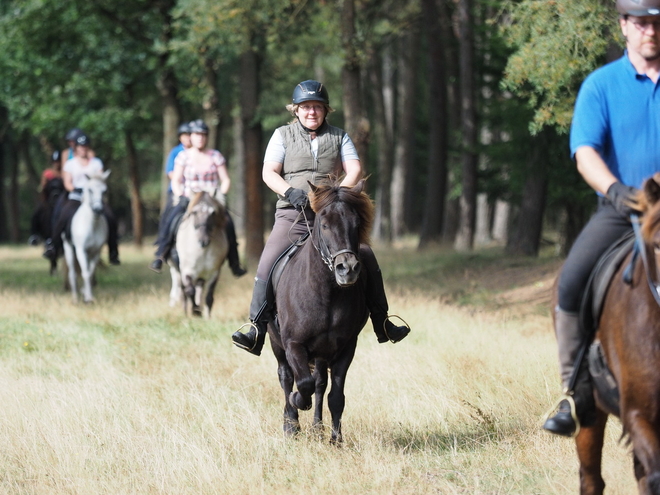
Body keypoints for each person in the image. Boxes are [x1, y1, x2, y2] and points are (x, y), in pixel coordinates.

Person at [543, 0, 660, 437]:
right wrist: (615, 189)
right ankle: (575, 391)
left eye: (657, 23)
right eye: (642, 22)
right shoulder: (601, 85)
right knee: (572, 280)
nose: (651, 31)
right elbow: (585, 151)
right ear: (625, 26)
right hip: (619, 210)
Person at [231, 80, 411, 356]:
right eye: (305, 107)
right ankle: (256, 327)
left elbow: (354, 169)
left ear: (326, 110)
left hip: (332, 213)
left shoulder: (340, 137)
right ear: (296, 111)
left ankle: (382, 321)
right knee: (268, 260)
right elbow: (269, 173)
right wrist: (290, 192)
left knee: (366, 255)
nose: (311, 112)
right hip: (293, 214)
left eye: (317, 107)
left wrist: (335, 195)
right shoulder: (281, 135)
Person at [149, 119, 246, 277]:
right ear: (191, 137)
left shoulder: (216, 156)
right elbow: (176, 180)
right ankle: (161, 254)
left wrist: (221, 194)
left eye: (203, 134)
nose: (199, 138)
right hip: (190, 198)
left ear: (207, 137)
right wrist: (181, 194)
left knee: (228, 223)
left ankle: (234, 263)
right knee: (172, 218)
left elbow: (226, 179)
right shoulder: (183, 156)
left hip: (211, 199)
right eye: (196, 134)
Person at [44, 134, 120, 265]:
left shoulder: (96, 163)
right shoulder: (70, 164)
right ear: (76, 148)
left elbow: (100, 179)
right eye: (80, 146)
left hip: (94, 197)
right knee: (62, 216)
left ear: (88, 147)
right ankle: (53, 246)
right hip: (76, 197)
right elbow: (67, 183)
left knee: (110, 217)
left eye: (85, 146)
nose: (83, 149)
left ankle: (113, 251)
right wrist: (75, 189)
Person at [149, 122, 192, 273]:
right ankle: (161, 253)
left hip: (198, 193)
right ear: (180, 137)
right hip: (178, 191)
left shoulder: (202, 153)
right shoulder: (176, 152)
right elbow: (171, 173)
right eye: (185, 135)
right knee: (169, 217)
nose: (188, 138)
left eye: (189, 135)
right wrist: (184, 183)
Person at [28, 150, 64, 246]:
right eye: (55, 162)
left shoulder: (65, 173)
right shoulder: (47, 174)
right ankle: (34, 235)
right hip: (49, 201)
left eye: (59, 161)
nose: (57, 164)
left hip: (62, 201)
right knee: (37, 213)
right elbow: (43, 188)